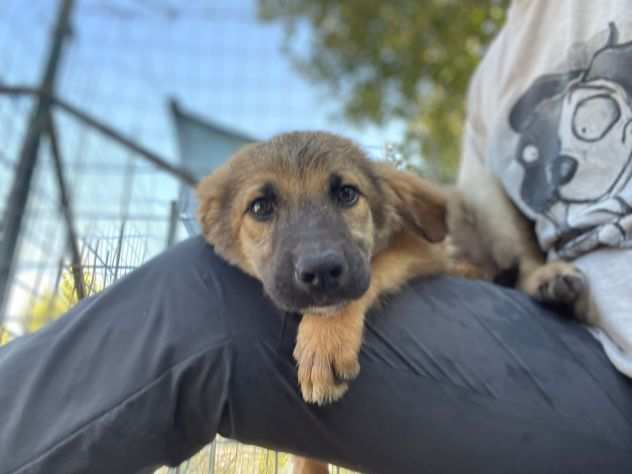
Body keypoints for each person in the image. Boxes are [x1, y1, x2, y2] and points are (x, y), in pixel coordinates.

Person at [1, 1, 631, 473]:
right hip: (551, 338)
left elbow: (438, 238)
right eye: (263, 207)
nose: (319, 255)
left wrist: (348, 303)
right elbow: (473, 239)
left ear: (383, 203)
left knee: (201, 302)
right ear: (220, 221)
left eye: (345, 194)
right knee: (211, 282)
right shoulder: (505, 62)